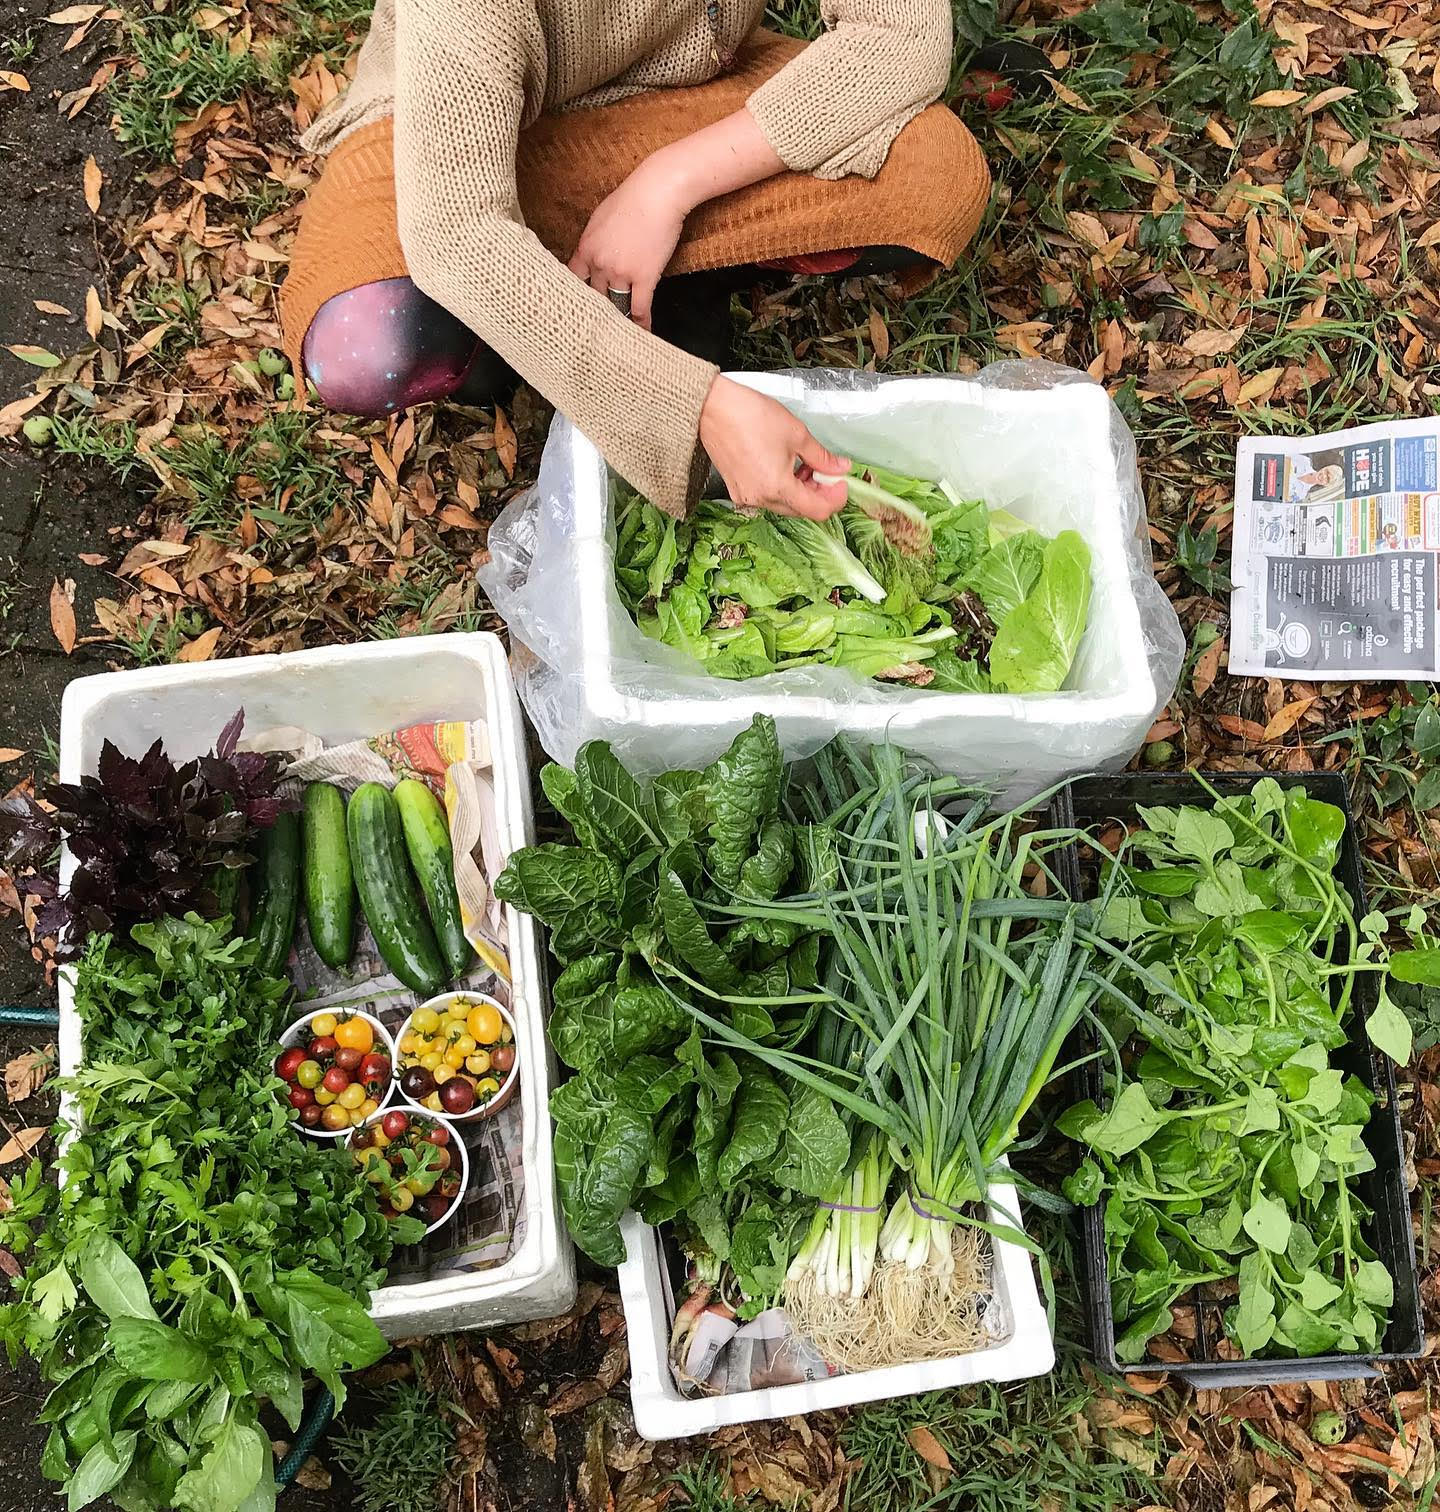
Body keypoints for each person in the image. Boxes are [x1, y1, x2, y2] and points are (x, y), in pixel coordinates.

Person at [279, 1, 991, 523]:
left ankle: (648, 275)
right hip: (458, 133)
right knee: (372, 343)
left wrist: (666, 184)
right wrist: (695, 409)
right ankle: (562, 324)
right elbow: (457, 227)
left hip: (677, 107)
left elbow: (902, 34)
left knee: (933, 174)